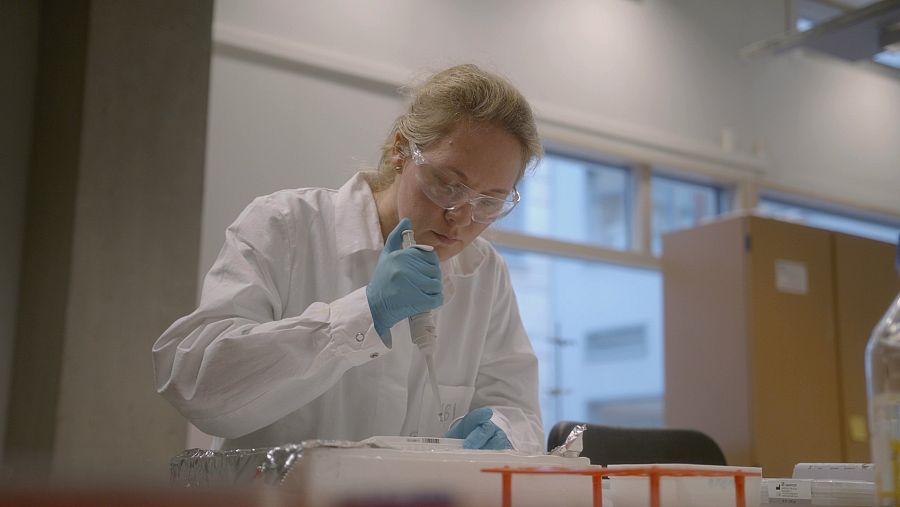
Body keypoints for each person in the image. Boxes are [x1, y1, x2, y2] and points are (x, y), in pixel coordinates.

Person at [153, 64, 545, 453]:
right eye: (448, 184)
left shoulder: (485, 272)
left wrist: (505, 431)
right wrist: (363, 314)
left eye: (489, 201)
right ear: (399, 150)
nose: (460, 217)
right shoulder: (287, 226)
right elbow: (196, 385)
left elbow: (518, 409)